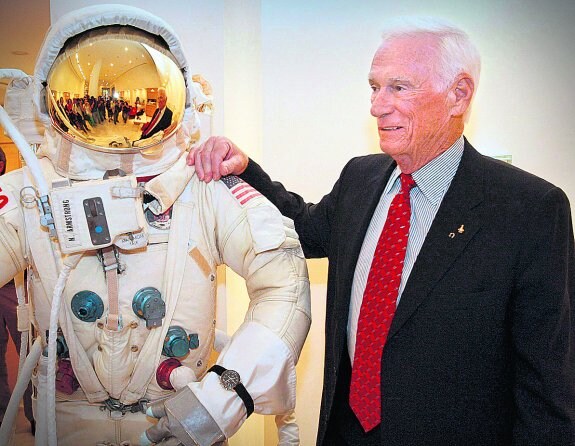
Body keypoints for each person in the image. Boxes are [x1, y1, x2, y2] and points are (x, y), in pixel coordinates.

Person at [188, 17, 575, 445]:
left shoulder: (530, 210)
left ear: (458, 95)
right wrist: (244, 169)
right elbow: (301, 228)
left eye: (399, 88)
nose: (377, 106)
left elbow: (547, 388)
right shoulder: (361, 178)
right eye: (374, 87)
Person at [0, 5, 311, 446]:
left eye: (134, 100)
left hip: (179, 417)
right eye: (100, 103)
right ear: (52, 102)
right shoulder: (32, 191)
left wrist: (227, 393)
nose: (118, 119)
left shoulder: (201, 186)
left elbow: (284, 281)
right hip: (66, 420)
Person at [0, 148, 34, 433]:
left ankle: (37, 414)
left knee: (30, 354)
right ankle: (1, 413)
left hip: (17, 286)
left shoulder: (13, 190)